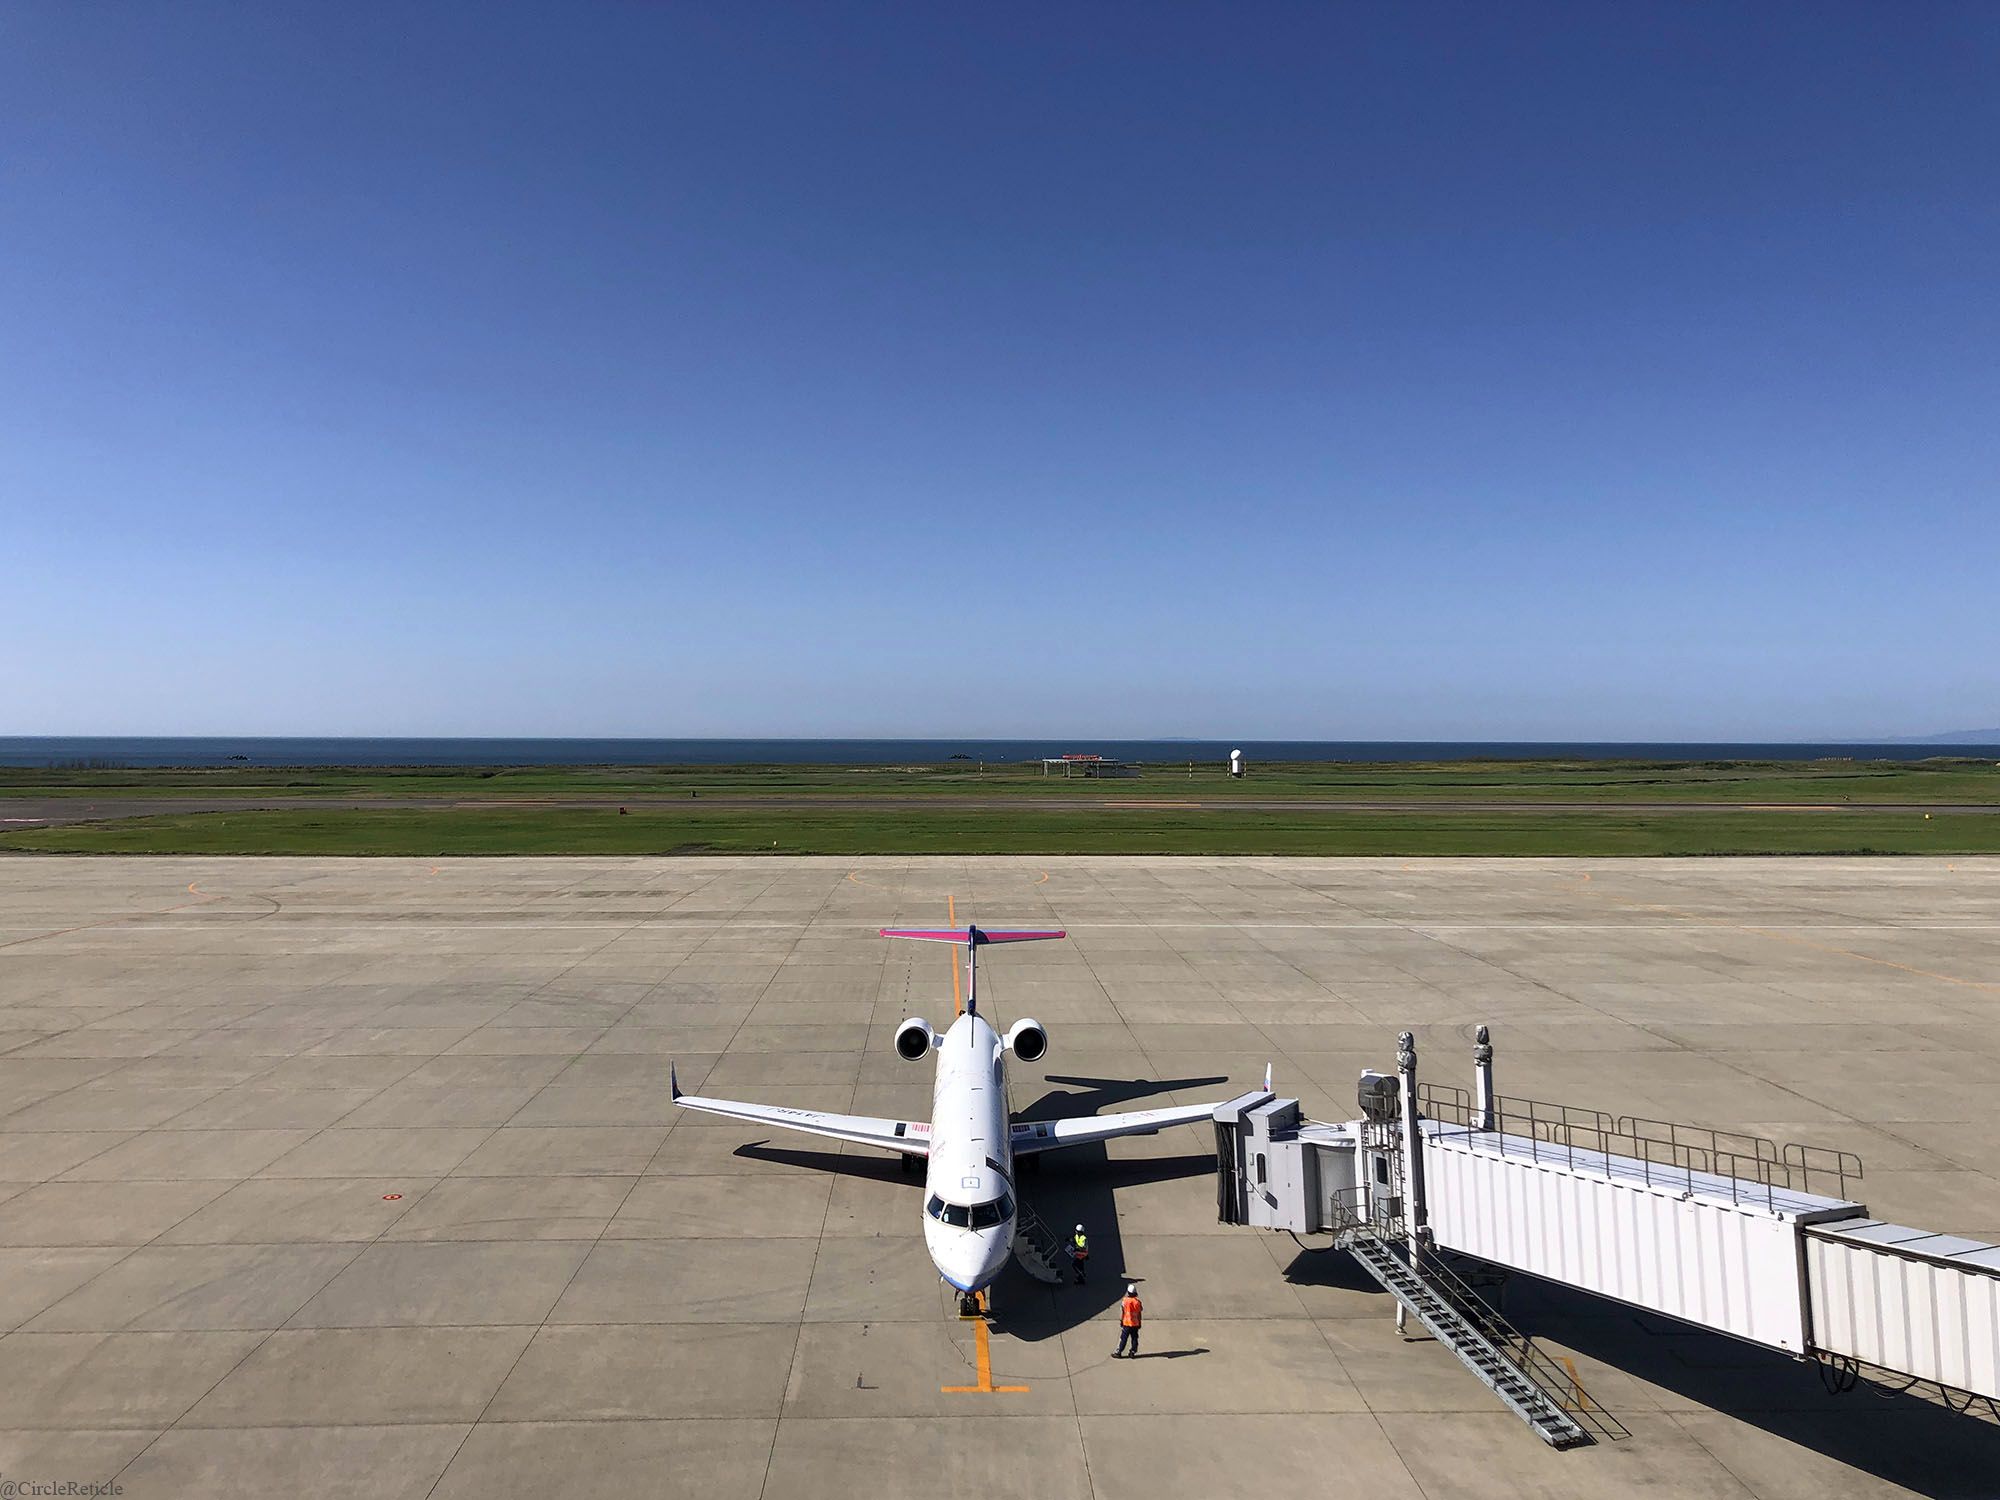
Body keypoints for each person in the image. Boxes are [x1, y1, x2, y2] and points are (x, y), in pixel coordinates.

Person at [1115, 1284, 1142, 1358]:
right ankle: (1132, 1352)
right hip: (1135, 1324)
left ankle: (1119, 1352)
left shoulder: (1125, 1301)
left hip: (1126, 1323)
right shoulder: (1137, 1302)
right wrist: (1139, 1322)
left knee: (1123, 1338)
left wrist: (1121, 1320)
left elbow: (1123, 1312)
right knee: (1134, 1338)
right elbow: (1139, 1313)